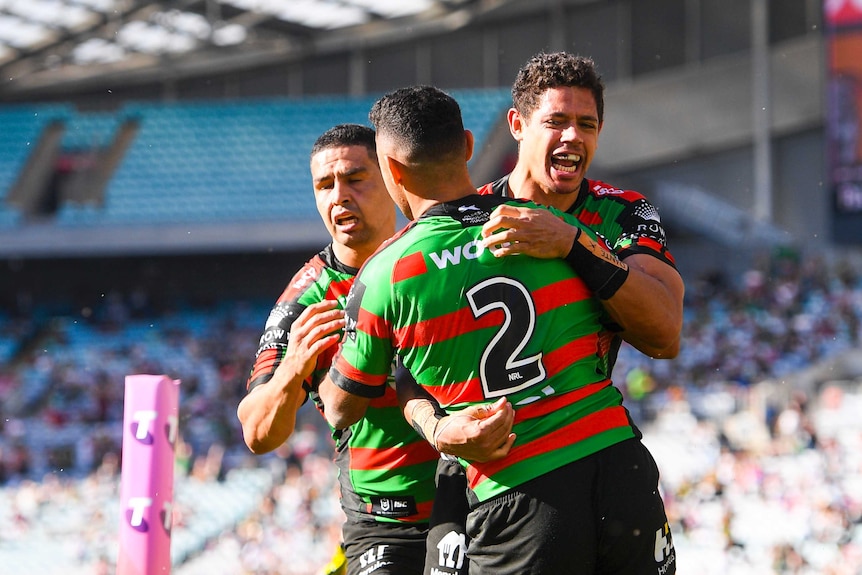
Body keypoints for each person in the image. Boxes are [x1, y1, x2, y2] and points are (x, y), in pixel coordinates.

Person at [319, 86, 676, 575]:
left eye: (586, 123)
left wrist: (307, 361)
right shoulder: (549, 229)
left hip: (516, 489)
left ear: (390, 171)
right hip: (620, 465)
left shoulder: (387, 273)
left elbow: (341, 408)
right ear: (469, 146)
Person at [237, 123, 513, 575]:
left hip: (479, 494)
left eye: (354, 179)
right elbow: (257, 433)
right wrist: (292, 369)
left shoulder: (442, 254)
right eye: (325, 185)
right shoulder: (308, 298)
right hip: (385, 518)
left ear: (390, 176)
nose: (338, 196)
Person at [478, 51, 684, 363]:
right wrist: (431, 415)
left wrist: (573, 244)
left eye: (586, 124)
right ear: (517, 125)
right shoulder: (467, 217)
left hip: (587, 412)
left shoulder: (625, 212)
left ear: (599, 132)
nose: (573, 135)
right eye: (556, 121)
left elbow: (665, 338)